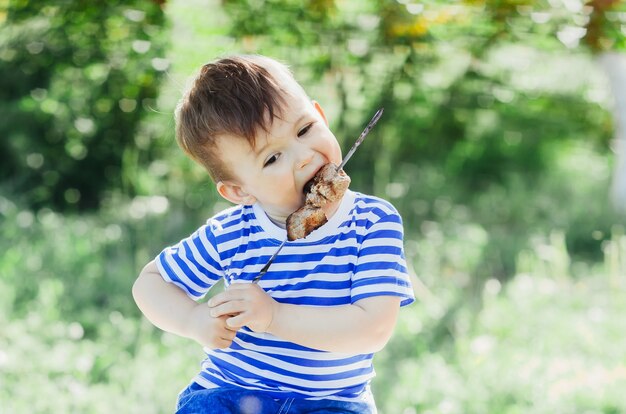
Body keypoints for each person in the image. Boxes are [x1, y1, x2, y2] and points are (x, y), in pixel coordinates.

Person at [132, 54, 415, 414]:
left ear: (321, 116)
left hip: (331, 405)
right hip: (230, 393)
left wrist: (273, 316)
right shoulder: (233, 232)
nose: (303, 157)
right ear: (239, 191)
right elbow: (150, 283)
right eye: (271, 158)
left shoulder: (372, 223)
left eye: (305, 130)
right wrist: (193, 320)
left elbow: (372, 329)